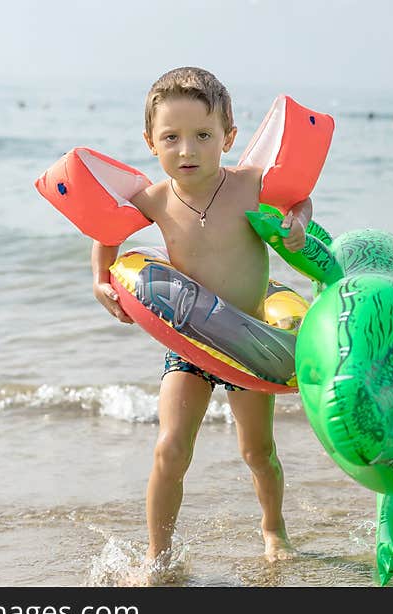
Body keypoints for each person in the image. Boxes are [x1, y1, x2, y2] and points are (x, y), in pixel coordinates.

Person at [92, 67, 308, 572]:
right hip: (188, 346)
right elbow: (106, 231)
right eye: (171, 137)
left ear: (229, 138)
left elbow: (297, 200)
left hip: (252, 345)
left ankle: (273, 529)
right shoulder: (155, 199)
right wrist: (100, 280)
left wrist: (296, 224)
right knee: (170, 447)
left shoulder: (250, 186)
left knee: (258, 452)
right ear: (150, 142)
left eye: (202, 136)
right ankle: (158, 556)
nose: (186, 150)